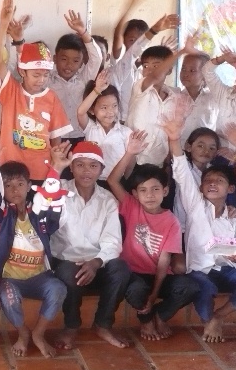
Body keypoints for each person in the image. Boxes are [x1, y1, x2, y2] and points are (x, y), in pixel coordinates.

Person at [107, 130, 199, 341]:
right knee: (136, 290)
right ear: (135, 194)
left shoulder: (171, 221)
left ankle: (160, 315)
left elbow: (164, 262)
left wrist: (155, 294)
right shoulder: (131, 206)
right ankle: (146, 320)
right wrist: (130, 153)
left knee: (190, 287)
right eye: (143, 190)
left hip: (159, 275)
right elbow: (112, 180)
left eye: (156, 189)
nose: (150, 195)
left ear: (165, 191)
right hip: (134, 274)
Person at [0, 139, 67, 358]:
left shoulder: (38, 211)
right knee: (8, 297)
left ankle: (38, 333)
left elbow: (51, 200)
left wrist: (57, 168)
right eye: (8, 185)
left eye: (20, 184)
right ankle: (23, 333)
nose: (15, 189)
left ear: (29, 185)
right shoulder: (1, 215)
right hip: (11, 279)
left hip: (40, 277)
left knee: (58, 289)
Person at [49, 141, 131, 349]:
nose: (86, 171)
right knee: (70, 273)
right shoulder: (58, 190)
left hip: (97, 263)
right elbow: (42, 206)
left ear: (101, 170)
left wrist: (96, 262)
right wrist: (55, 168)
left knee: (120, 269)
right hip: (66, 261)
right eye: (80, 165)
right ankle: (71, 326)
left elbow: (113, 240)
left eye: (93, 166)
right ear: (71, 167)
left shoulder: (108, 200)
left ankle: (103, 324)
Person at [165, 112, 236, 343]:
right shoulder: (195, 205)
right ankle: (208, 321)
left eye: (219, 181)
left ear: (230, 189)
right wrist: (174, 139)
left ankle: (218, 317)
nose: (212, 184)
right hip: (200, 269)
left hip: (226, 268)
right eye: (207, 181)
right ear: (201, 187)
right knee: (203, 289)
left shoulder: (232, 216)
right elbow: (183, 173)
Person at [0, 0, 73, 183]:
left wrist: (55, 168)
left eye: (45, 75)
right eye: (36, 75)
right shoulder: (11, 91)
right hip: (11, 171)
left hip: (41, 172)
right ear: (22, 72)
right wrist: (3, 25)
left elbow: (56, 137)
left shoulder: (51, 97)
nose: (41, 80)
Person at [125, 36, 197, 167]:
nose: (150, 70)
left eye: (156, 66)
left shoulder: (175, 96)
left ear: (169, 69)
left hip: (159, 163)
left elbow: (172, 133)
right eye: (145, 66)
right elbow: (155, 76)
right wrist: (182, 51)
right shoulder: (140, 88)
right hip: (132, 160)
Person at [48, 10, 103, 145]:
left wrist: (83, 33)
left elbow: (97, 59)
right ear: (55, 59)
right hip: (54, 137)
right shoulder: (47, 80)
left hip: (80, 136)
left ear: (82, 62)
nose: (69, 65)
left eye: (75, 61)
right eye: (64, 59)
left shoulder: (84, 78)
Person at [76, 69, 132, 185]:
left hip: (117, 182)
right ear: (92, 110)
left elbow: (130, 163)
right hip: (93, 182)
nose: (110, 112)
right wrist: (97, 90)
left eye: (114, 106)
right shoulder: (90, 128)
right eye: (104, 108)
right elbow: (81, 112)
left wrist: (125, 182)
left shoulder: (126, 133)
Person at [179, 51, 218, 145]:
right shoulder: (174, 96)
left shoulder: (214, 98)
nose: (185, 74)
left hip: (206, 151)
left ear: (205, 74)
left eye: (192, 70)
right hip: (179, 150)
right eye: (183, 69)